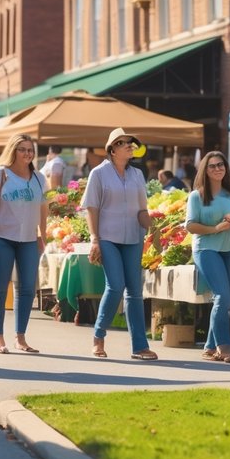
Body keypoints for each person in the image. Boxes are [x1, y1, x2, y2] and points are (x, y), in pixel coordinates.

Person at [83, 128, 158, 360]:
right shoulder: (98, 174)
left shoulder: (137, 175)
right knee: (115, 286)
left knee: (135, 292)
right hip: (107, 237)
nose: (129, 146)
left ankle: (139, 347)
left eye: (131, 143)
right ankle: (98, 336)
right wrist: (94, 239)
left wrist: (154, 228)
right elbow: (91, 208)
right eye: (124, 143)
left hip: (133, 237)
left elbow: (141, 211)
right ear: (112, 149)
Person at [0, 134, 48, 355]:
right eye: (22, 149)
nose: (27, 154)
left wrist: (43, 234)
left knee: (28, 288)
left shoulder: (39, 178)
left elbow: (43, 207)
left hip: (29, 239)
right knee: (1, 287)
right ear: (13, 150)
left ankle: (21, 337)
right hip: (3, 238)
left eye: (30, 150)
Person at [186, 151, 230, 363]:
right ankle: (224, 346)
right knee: (222, 296)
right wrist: (215, 228)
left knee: (227, 300)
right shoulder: (197, 196)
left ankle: (210, 347)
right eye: (212, 166)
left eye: (221, 165)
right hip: (207, 250)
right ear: (205, 170)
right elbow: (190, 225)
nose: (217, 169)